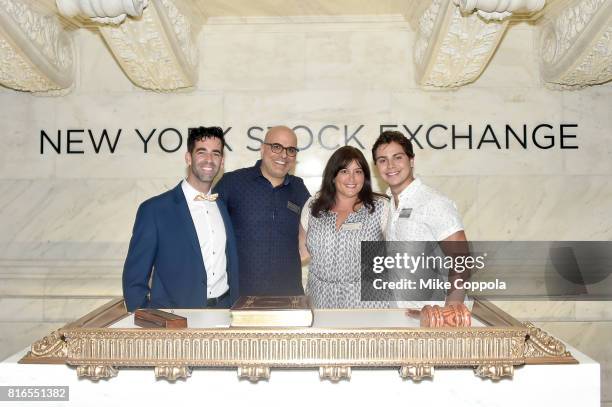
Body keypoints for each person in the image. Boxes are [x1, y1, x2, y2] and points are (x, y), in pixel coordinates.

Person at [122, 127, 239, 312]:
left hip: (224, 314)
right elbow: (134, 279)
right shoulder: (154, 210)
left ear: (222, 161)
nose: (209, 160)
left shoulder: (223, 206)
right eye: (202, 152)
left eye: (215, 154)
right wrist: (149, 321)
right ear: (188, 158)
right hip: (175, 320)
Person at [371, 130, 468, 306]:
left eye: (398, 157)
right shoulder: (388, 205)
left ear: (412, 160)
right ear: (377, 166)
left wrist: (451, 313)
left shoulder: (433, 202)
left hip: (435, 318)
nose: (390, 165)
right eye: (383, 160)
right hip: (399, 315)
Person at [213, 126, 310, 296]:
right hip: (240, 298)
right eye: (276, 147)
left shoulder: (298, 188)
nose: (284, 155)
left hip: (289, 297)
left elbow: (316, 229)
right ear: (262, 149)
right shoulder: (233, 183)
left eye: (291, 150)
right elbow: (208, 230)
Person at [299, 146, 389, 308]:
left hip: (369, 305)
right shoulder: (313, 206)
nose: (352, 179)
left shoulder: (381, 207)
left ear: (365, 176)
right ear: (333, 176)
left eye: (358, 171)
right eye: (344, 171)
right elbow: (301, 253)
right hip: (320, 301)